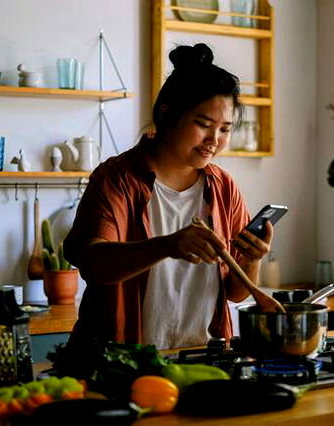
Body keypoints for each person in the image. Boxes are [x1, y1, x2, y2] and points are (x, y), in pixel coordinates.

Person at [63, 43, 273, 350]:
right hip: (123, 363)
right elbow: (94, 264)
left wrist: (253, 260)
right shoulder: (117, 178)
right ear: (167, 114)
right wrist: (169, 244)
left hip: (202, 359)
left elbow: (235, 293)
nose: (214, 140)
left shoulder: (223, 187)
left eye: (225, 129)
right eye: (203, 125)